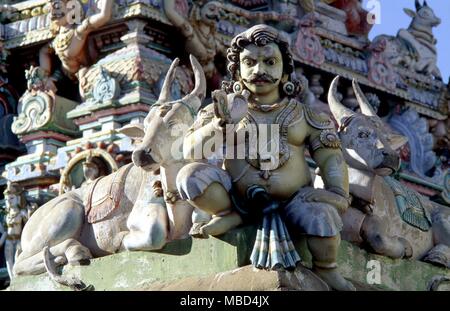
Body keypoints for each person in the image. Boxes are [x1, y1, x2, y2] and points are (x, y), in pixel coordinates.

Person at [176, 24, 354, 291]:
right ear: (237, 71)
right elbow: (190, 152)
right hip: (237, 199)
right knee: (188, 177)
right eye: (250, 62)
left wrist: (337, 192)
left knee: (323, 219)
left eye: (270, 62)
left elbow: (330, 157)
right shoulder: (220, 112)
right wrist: (222, 124)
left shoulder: (305, 115)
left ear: (285, 71)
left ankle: (326, 269)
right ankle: (230, 215)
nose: (259, 70)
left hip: (296, 200)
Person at [39, 0, 113, 80]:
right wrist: (45, 73)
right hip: (60, 76)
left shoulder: (79, 31)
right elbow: (43, 51)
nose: (52, 13)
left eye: (57, 7)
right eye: (49, 10)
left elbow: (104, 16)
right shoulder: (57, 39)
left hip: (83, 74)